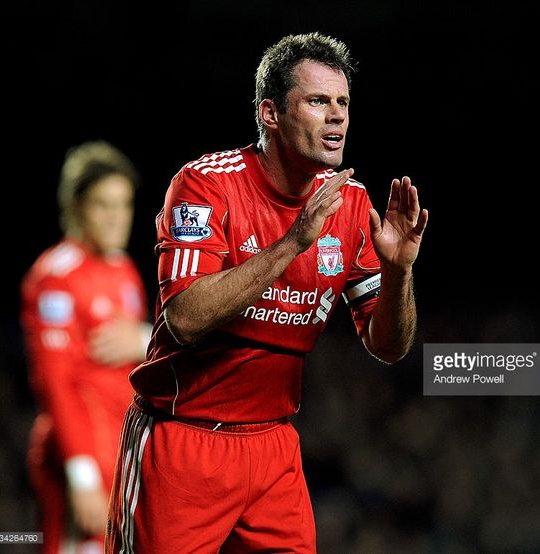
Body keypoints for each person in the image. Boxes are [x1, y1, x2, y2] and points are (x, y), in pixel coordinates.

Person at [106, 32, 428, 553]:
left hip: (273, 447)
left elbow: (388, 346)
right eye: (318, 101)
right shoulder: (206, 185)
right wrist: (293, 242)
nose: (337, 115)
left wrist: (398, 273)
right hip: (183, 441)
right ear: (270, 113)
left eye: (343, 102)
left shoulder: (351, 204)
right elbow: (184, 318)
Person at [20, 140, 151, 553]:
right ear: (76, 207)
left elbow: (138, 359)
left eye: (124, 205)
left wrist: (144, 337)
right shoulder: (54, 278)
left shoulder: (124, 270)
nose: (117, 218)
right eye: (103, 205)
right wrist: (82, 476)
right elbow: (56, 385)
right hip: (80, 459)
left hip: (121, 451)